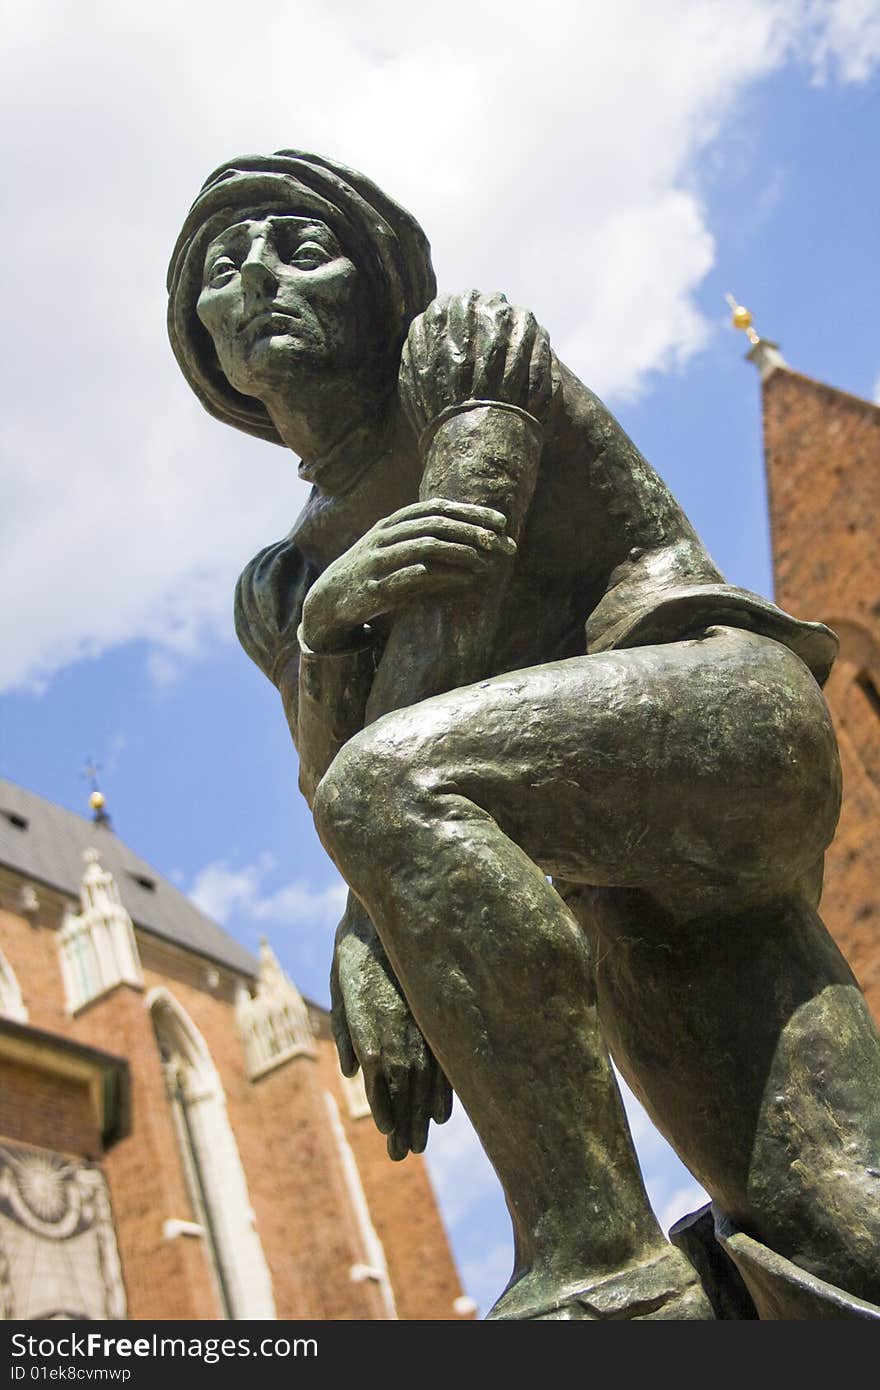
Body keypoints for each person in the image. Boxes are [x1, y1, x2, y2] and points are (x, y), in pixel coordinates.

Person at [168, 150, 880, 1319]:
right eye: (220, 270)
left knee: (387, 785)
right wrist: (326, 625)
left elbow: (460, 578)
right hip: (619, 876)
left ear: (378, 279)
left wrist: (373, 928)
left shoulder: (464, 353)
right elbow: (324, 778)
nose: (257, 280)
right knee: (829, 1236)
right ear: (204, 345)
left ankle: (596, 1264)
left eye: (301, 250)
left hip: (723, 716)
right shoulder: (284, 585)